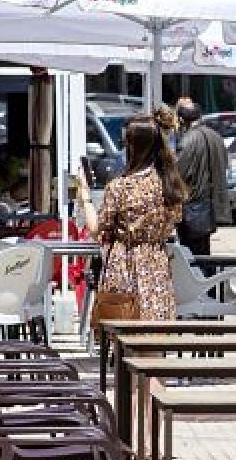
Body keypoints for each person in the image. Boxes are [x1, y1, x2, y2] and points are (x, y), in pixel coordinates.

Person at [76, 107, 186, 321]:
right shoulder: (168, 185)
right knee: (155, 333)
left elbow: (97, 228)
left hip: (125, 264)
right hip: (156, 265)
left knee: (124, 332)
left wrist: (85, 198)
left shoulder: (120, 187)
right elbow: (174, 221)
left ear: (133, 147)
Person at [174, 101, 231, 257]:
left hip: (193, 209)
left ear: (181, 119)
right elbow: (225, 166)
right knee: (204, 254)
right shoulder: (216, 137)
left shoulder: (187, 141)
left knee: (193, 259)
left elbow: (177, 175)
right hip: (212, 206)